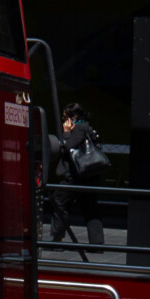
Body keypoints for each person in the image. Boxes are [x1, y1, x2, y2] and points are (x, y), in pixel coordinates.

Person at [42, 103, 105, 247]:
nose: (64, 121)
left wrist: (65, 133)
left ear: (74, 117)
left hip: (73, 176)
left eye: (65, 117)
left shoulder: (79, 128)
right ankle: (97, 243)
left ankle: (57, 239)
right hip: (86, 176)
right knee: (90, 208)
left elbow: (68, 147)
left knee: (60, 203)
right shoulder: (86, 126)